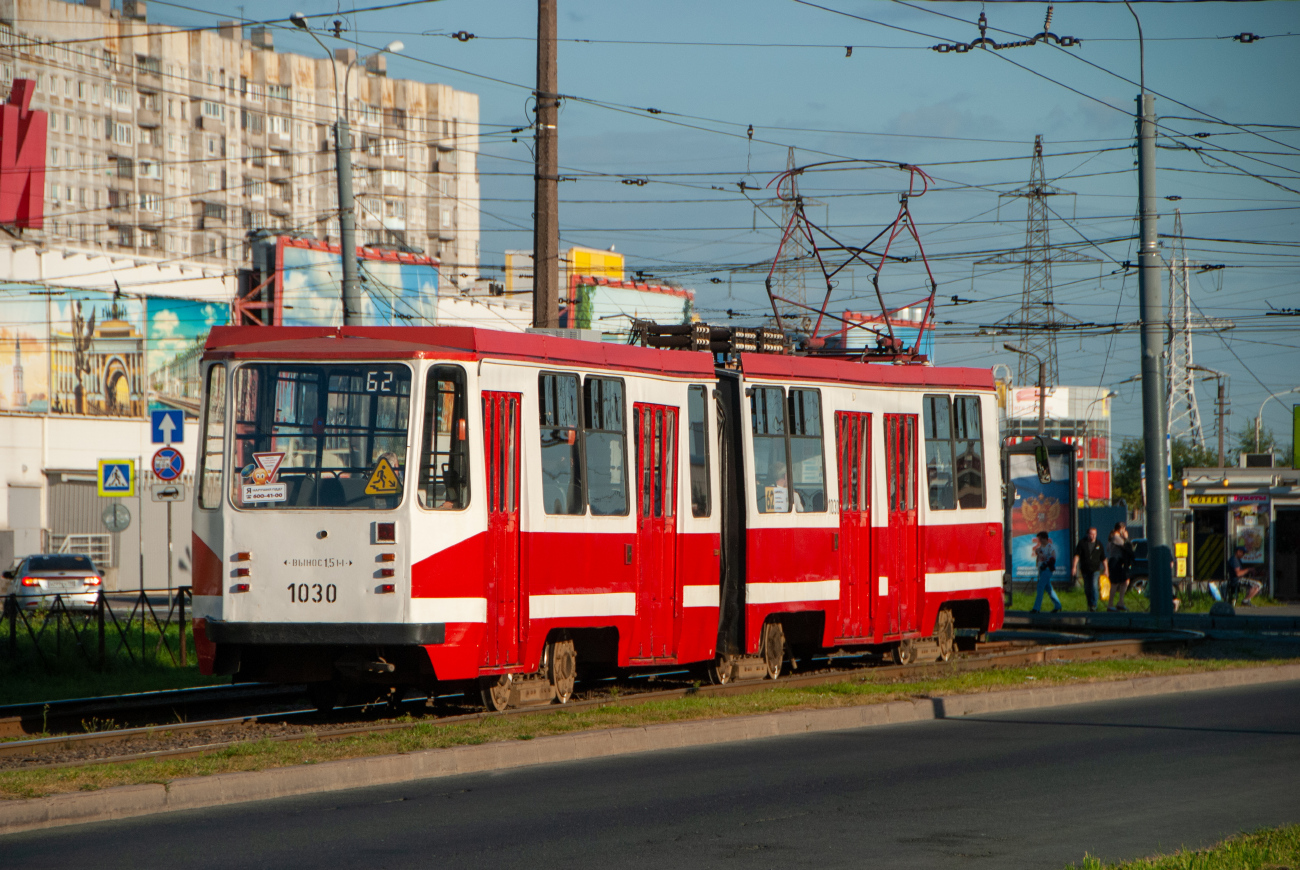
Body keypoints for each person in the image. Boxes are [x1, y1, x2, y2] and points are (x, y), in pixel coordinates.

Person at [1071, 527, 1107, 612]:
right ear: (1088, 534)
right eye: (1091, 534)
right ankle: (1090, 603)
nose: (1093, 536)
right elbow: (1077, 556)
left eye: (1095, 534)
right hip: (1085, 569)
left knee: (1094, 586)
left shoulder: (1099, 544)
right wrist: (1074, 567)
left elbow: (1103, 558)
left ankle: (1094, 604)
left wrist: (1106, 569)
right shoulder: (1082, 543)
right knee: (1087, 587)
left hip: (1095, 569)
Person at [1031, 530, 1061, 613]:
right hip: (1041, 570)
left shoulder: (1050, 547)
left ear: (1044, 539)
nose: (1039, 540)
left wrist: (1046, 563)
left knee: (1040, 587)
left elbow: (1053, 557)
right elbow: (1038, 554)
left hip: (1047, 570)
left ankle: (1036, 608)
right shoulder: (1040, 548)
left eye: (1040, 539)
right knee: (1049, 589)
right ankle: (1058, 605)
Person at [1107, 521, 1131, 612]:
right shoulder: (1116, 538)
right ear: (1121, 529)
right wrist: (1126, 538)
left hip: (1120, 561)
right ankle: (1110, 604)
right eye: (1124, 529)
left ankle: (1121, 602)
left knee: (1125, 580)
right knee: (1115, 583)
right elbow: (1127, 546)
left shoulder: (1116, 537)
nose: (1125, 531)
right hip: (1115, 561)